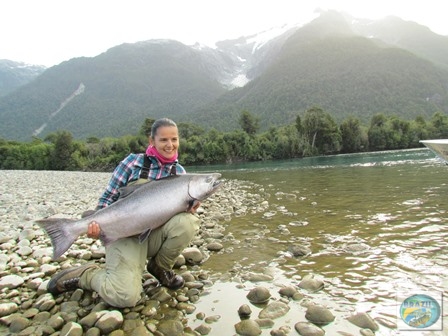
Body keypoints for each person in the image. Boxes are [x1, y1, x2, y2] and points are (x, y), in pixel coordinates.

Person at [47, 118, 201, 308]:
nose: (170, 145)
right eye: (163, 140)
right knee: (124, 297)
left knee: (188, 221)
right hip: (124, 236)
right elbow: (107, 199)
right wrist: (95, 223)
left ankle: (159, 267)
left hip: (152, 235)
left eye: (174, 139)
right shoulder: (132, 163)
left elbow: (176, 217)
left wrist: (189, 209)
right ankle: (86, 275)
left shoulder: (180, 173)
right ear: (152, 141)